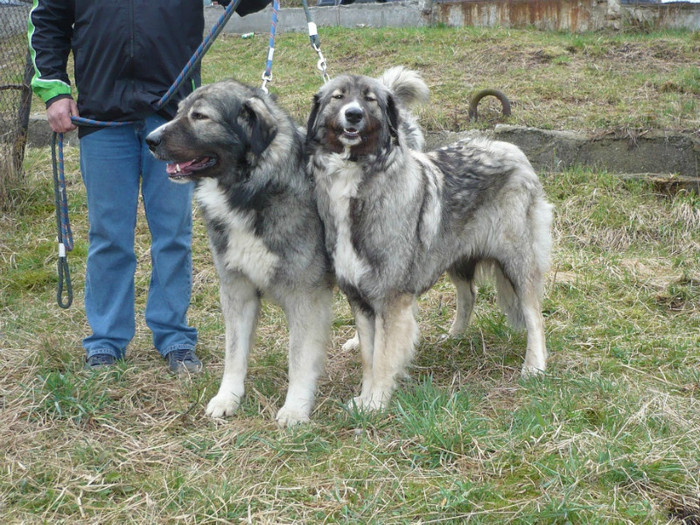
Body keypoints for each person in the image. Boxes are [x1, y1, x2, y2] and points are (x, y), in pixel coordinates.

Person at [28, 0, 270, 372]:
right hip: (102, 116)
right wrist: (55, 89)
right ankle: (106, 341)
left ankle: (174, 337)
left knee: (173, 234)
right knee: (108, 235)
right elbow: (48, 20)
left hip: (175, 120)